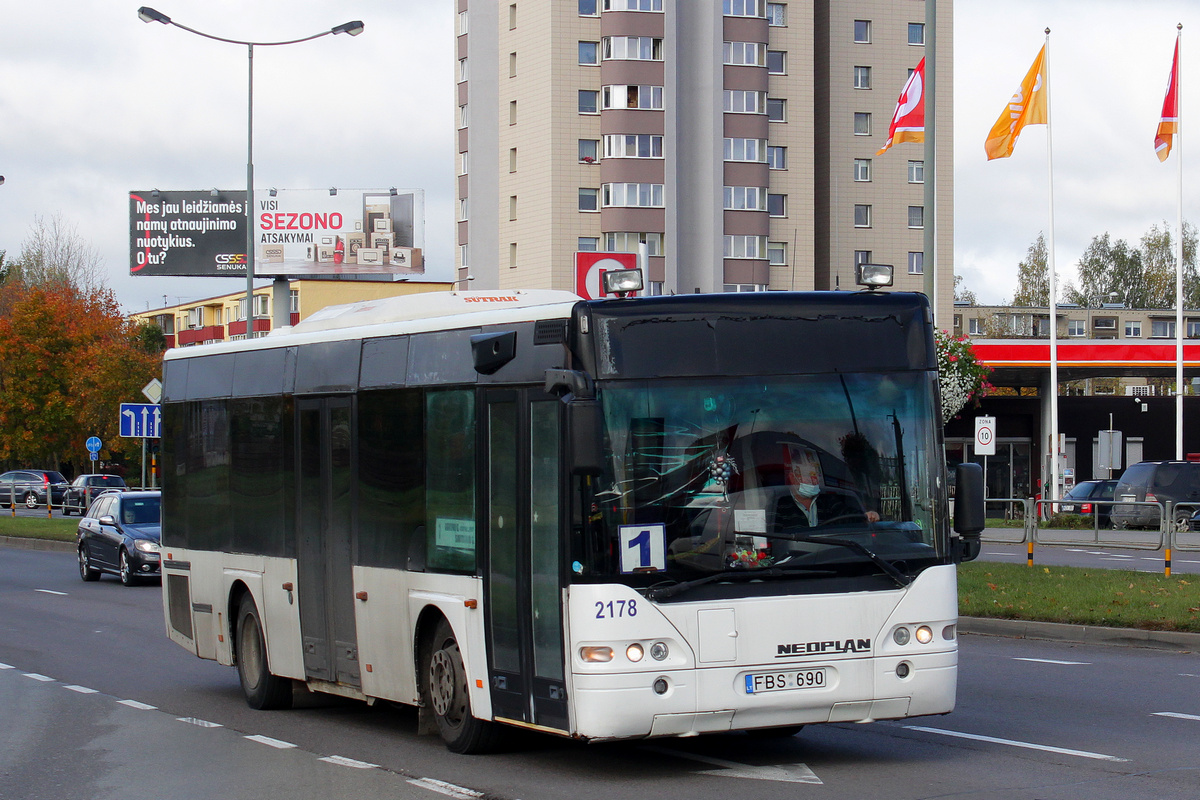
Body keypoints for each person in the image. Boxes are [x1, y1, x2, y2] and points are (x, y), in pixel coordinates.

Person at [774, 443, 879, 530]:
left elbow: (847, 515)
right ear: (792, 477)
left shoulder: (828, 502)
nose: (812, 481)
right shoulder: (780, 506)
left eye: (814, 475)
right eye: (806, 476)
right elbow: (772, 540)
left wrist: (867, 516)